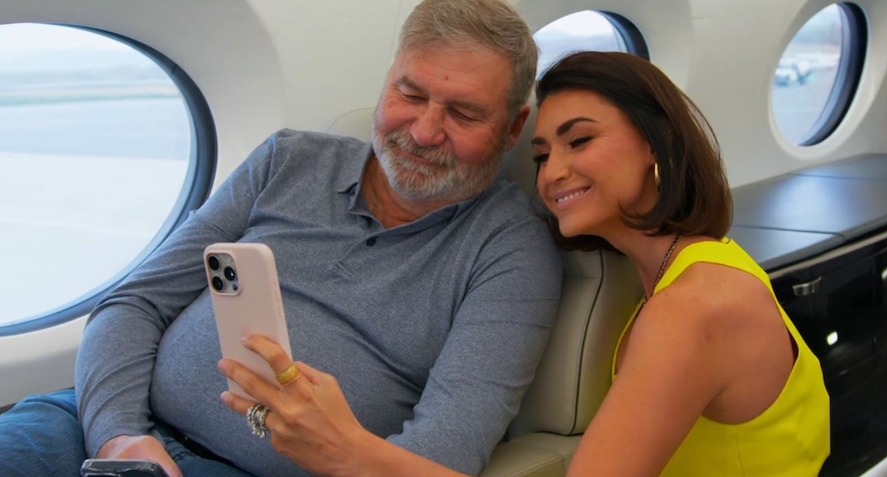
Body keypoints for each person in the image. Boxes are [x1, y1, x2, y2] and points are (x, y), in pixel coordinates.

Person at [0, 1, 563, 476]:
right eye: (410, 95)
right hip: (102, 427)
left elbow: (445, 453)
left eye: (463, 113)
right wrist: (119, 437)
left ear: (513, 128)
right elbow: (134, 302)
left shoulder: (511, 253)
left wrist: (335, 447)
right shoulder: (288, 160)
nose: (423, 131)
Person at [529, 51, 830, 476]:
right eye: (541, 155)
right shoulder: (698, 265)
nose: (551, 173)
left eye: (579, 141)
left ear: (658, 142)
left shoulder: (689, 309)